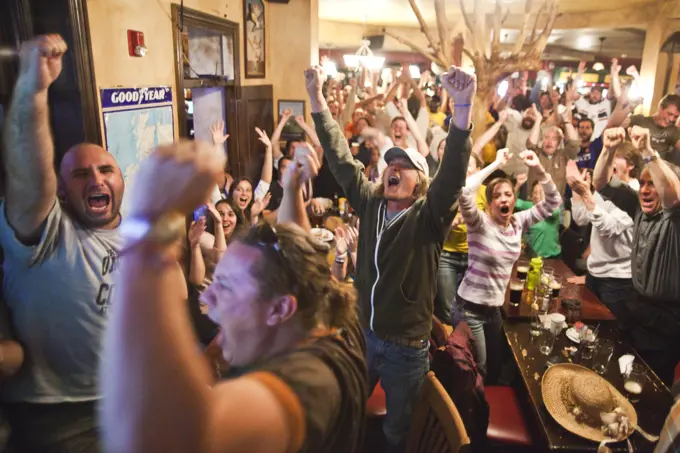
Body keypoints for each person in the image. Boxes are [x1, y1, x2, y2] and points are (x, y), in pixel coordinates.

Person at [101, 139, 368, 453]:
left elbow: (150, 439)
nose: (208, 298)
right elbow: (299, 252)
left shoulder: (308, 380)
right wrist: (293, 185)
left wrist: (146, 229)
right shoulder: (325, 316)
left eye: (225, 286)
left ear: (280, 308)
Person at [307, 64, 474, 452]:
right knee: (345, 411)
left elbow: (451, 177)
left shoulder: (428, 219)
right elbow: (339, 158)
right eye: (390, 165)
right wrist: (317, 101)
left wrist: (462, 110)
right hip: (366, 335)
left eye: (403, 166)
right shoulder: (370, 202)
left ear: (420, 183)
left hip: (406, 349)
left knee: (397, 434)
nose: (392, 169)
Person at [0, 34, 124, 452]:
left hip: (131, 398)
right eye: (80, 174)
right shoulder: (45, 230)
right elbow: (30, 176)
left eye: (106, 169)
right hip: (61, 415)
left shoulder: (141, 234)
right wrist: (33, 91)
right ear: (63, 193)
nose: (96, 179)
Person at [456, 148, 562, 382]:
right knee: (480, 368)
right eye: (497, 196)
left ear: (514, 199)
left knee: (497, 363)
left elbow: (554, 201)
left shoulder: (518, 222)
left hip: (494, 308)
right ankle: (471, 414)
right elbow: (464, 192)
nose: (504, 199)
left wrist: (539, 169)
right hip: (470, 307)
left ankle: (492, 406)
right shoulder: (479, 223)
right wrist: (494, 165)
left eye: (508, 194)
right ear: (490, 203)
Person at [610, 126, 680, 386]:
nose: (646, 190)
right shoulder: (640, 210)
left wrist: (648, 151)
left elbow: (673, 196)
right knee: (621, 375)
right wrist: (607, 150)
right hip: (635, 306)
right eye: (643, 183)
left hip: (665, 321)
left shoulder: (674, 219)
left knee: (650, 388)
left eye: (653, 184)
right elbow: (601, 183)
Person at [567, 158, 638, 332]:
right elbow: (581, 217)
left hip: (617, 281)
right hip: (595, 275)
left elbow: (608, 227)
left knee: (610, 333)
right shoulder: (603, 193)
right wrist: (577, 192)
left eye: (612, 166)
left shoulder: (630, 196)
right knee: (588, 329)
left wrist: (585, 193)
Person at [435, 153, 486, 325]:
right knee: (448, 310)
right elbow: (434, 229)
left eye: (469, 165)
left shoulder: (486, 192)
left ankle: (470, 346)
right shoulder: (446, 192)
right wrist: (451, 224)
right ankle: (454, 349)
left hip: (474, 257)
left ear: (478, 170)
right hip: (447, 255)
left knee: (471, 309)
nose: (464, 169)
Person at [526, 104, 580, 195]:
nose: (549, 141)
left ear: (559, 143)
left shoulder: (563, 156)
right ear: (542, 140)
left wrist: (567, 121)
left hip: (556, 205)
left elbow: (575, 144)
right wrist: (538, 120)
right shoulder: (536, 154)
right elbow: (531, 145)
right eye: (547, 137)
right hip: (533, 202)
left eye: (554, 139)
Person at [623, 94, 680, 165]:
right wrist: (628, 108)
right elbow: (614, 124)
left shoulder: (672, 131)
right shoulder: (640, 120)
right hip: (632, 169)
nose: (672, 119)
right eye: (669, 114)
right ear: (660, 107)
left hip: (653, 172)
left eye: (675, 116)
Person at [514, 180, 562, 259]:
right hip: (532, 256)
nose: (537, 196)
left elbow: (550, 208)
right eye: (535, 192)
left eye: (541, 192)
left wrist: (546, 193)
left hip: (550, 258)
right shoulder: (530, 205)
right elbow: (514, 201)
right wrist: (518, 185)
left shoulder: (554, 209)